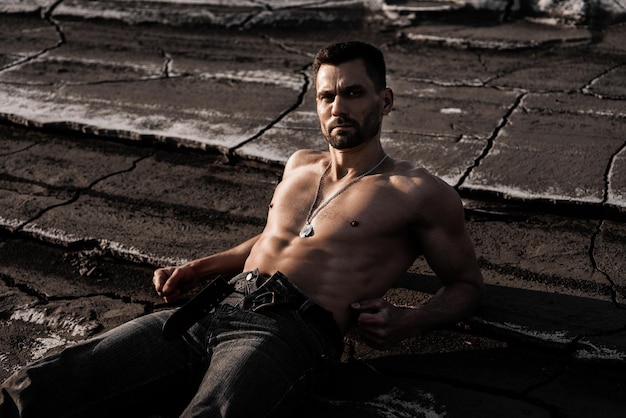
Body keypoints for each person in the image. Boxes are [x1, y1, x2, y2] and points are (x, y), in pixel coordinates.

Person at [0, 41, 484, 417]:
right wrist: (202, 266)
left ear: (386, 99)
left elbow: (465, 285)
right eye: (326, 96)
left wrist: (409, 320)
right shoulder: (299, 164)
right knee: (45, 384)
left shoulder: (417, 191)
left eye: (353, 93)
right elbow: (280, 236)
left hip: (288, 330)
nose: (338, 107)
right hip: (214, 304)